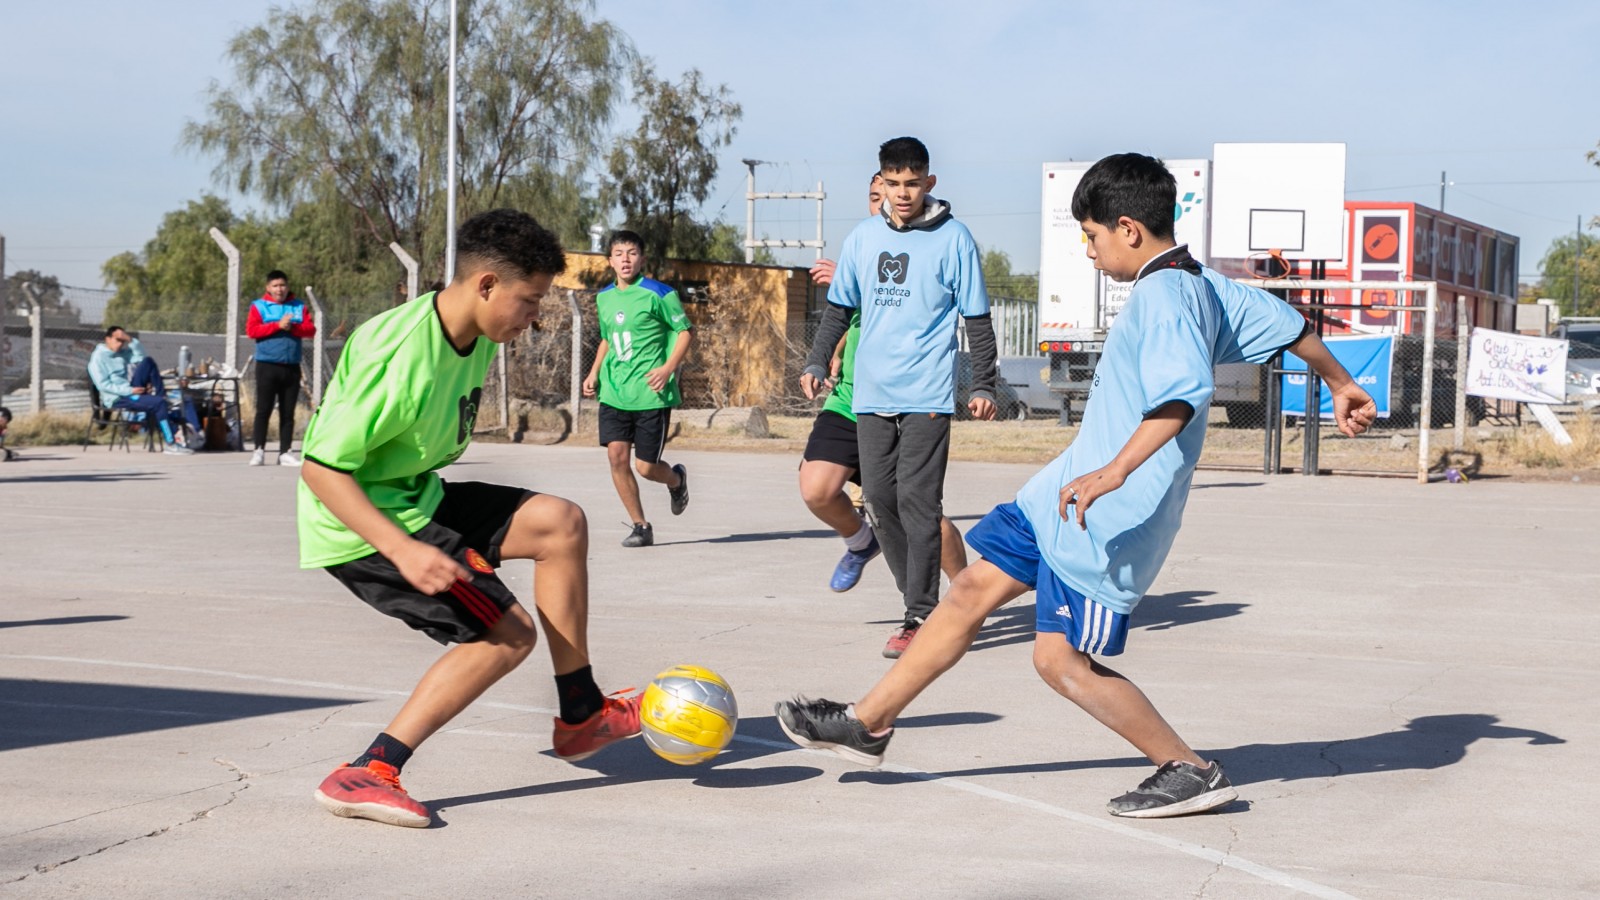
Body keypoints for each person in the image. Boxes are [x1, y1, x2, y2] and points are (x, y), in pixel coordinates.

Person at [776, 152, 1379, 819]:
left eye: (1090, 237)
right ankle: (868, 723)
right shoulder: (1200, 282)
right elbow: (1292, 328)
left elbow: (1180, 398)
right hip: (1059, 494)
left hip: (1106, 511)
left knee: (1058, 662)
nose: (1088, 252)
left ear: (1127, 228)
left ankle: (1189, 768)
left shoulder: (1168, 294)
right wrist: (1340, 381)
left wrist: (1114, 472)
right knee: (973, 587)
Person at [300, 210, 641, 828]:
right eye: (530, 300)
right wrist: (403, 550)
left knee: (560, 523)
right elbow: (321, 470)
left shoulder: (477, 329)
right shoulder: (396, 353)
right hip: (359, 519)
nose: (535, 317)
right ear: (486, 285)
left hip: (413, 495)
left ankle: (580, 712)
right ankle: (368, 771)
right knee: (506, 635)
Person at [800, 137, 998, 658]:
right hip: (869, 395)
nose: (903, 193)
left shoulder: (955, 239)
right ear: (881, 184)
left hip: (927, 393)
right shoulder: (863, 239)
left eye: (913, 183)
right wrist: (817, 361)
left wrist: (983, 383)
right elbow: (839, 310)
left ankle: (921, 614)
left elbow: (976, 317)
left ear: (929, 183)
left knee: (917, 502)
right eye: (894, 183)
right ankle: (917, 602)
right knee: (881, 505)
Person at [803, 173, 968, 594]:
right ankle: (861, 541)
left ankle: (965, 590)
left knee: (915, 507)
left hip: (905, 397)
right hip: (852, 397)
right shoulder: (864, 244)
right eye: (878, 194)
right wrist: (828, 357)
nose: (890, 198)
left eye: (899, 189)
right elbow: (844, 317)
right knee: (816, 487)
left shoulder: (930, 245)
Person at [581, 230, 692, 548]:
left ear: (641, 259)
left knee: (645, 467)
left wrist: (668, 368)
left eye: (631, 253)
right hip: (614, 392)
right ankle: (641, 525)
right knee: (617, 458)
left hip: (650, 394)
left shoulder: (659, 293)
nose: (625, 259)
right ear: (610, 260)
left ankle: (676, 479)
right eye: (619, 253)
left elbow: (684, 332)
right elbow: (607, 339)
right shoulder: (604, 297)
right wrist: (594, 373)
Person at [87, 326, 197, 455]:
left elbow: (141, 356)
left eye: (122, 341)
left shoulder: (121, 353)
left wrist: (129, 339)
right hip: (118, 398)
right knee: (158, 404)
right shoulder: (97, 359)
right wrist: (130, 390)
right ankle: (171, 444)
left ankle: (162, 396)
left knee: (148, 361)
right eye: (117, 340)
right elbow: (103, 385)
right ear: (108, 339)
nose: (120, 344)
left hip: (130, 390)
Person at [246, 269, 316, 467]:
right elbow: (252, 330)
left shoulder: (298, 306)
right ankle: (258, 450)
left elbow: (311, 330)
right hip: (267, 365)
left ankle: (285, 451)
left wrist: (292, 327)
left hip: (291, 367)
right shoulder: (258, 307)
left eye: (283, 285)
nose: (280, 289)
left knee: (288, 412)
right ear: (268, 288)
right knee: (263, 410)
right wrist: (277, 325)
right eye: (275, 286)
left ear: (288, 287)